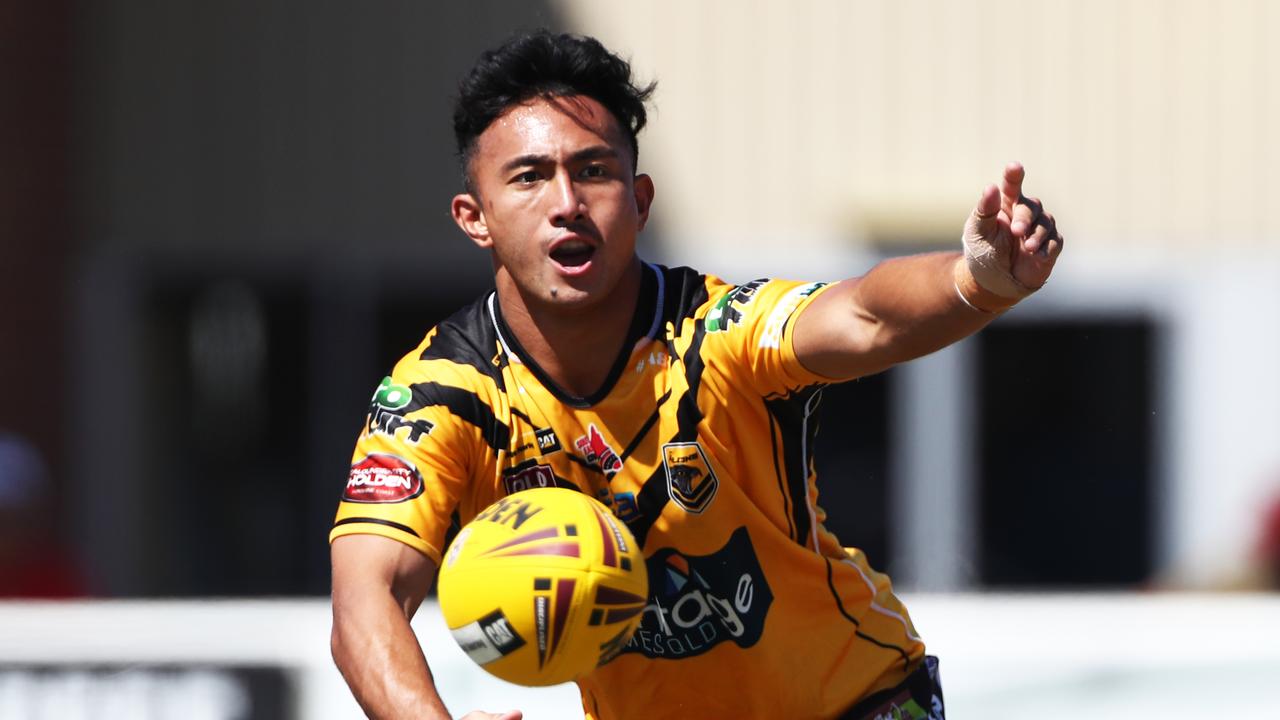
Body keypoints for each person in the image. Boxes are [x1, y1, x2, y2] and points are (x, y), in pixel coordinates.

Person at [329, 30, 1062, 720]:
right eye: (528, 178)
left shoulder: (719, 332)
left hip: (856, 703)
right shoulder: (441, 394)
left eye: (593, 171)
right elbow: (367, 599)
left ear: (641, 201)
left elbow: (866, 313)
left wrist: (979, 277)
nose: (566, 206)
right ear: (474, 216)